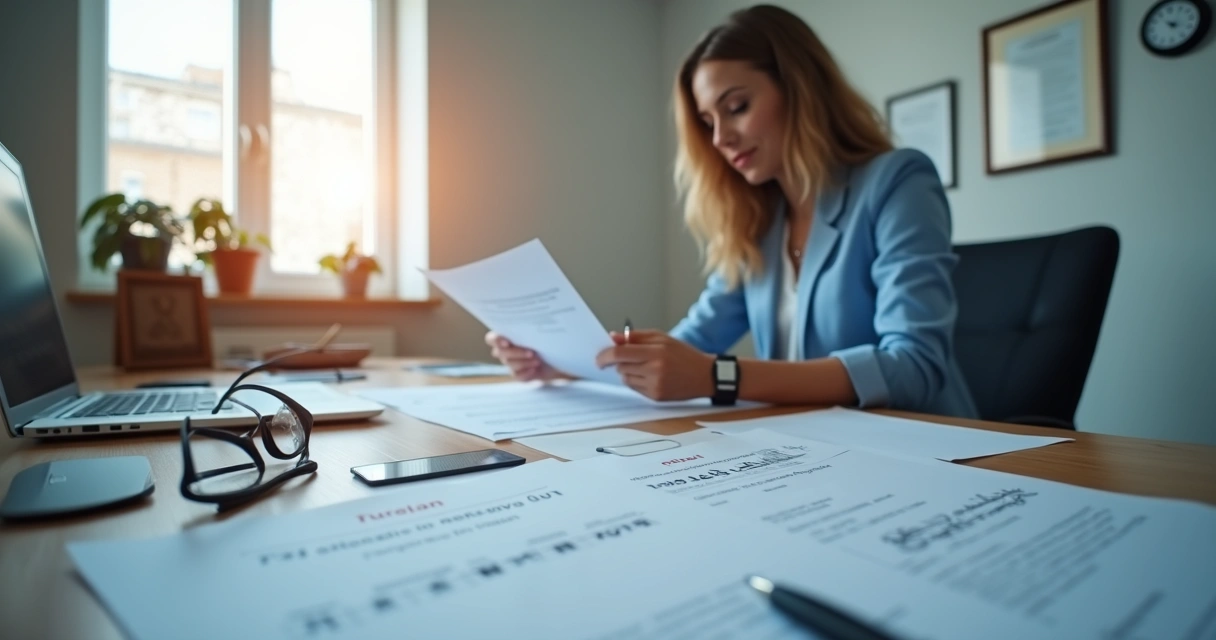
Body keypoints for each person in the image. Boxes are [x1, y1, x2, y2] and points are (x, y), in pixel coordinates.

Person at [486, 4, 977, 418]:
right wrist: (557, 364)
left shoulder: (897, 182)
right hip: (818, 450)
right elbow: (687, 348)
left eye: (737, 106)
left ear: (800, 89)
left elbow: (914, 365)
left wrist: (717, 376)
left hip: (931, 448)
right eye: (707, 121)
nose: (720, 138)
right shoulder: (759, 223)